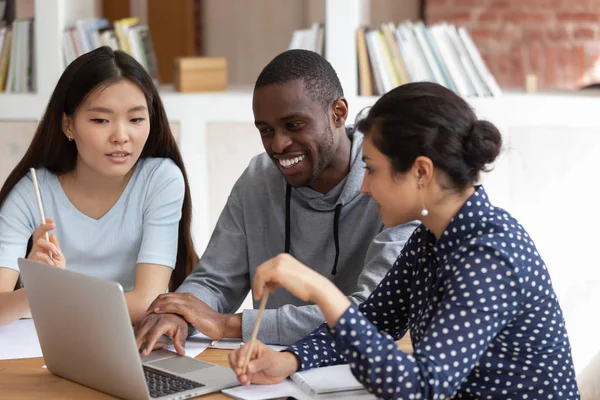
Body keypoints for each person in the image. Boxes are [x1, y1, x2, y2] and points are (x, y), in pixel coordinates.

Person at [228, 82, 580, 399]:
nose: (364, 186)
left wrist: (322, 290)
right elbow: (372, 321)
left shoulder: (488, 255)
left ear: (421, 173)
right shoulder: (430, 238)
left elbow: (421, 387)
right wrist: (291, 359)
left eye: (372, 168)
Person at [134, 49, 418, 352]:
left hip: (359, 369)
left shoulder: (393, 186)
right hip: (268, 367)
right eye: (266, 131)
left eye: (294, 125)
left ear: (338, 112)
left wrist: (228, 325)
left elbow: (372, 313)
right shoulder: (258, 177)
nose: (278, 145)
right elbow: (215, 280)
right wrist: (178, 314)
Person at [0, 46, 197, 326]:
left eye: (136, 119)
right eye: (100, 120)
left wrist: (56, 299)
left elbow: (146, 303)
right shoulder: (30, 192)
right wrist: (35, 291)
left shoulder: (160, 180)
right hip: (45, 345)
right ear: (68, 125)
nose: (121, 136)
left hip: (129, 345)